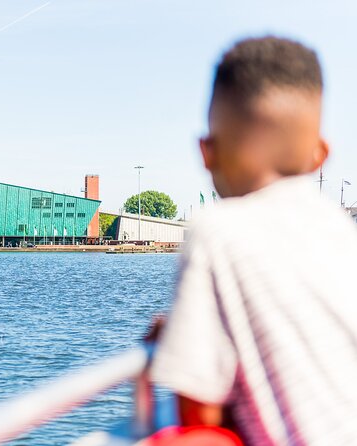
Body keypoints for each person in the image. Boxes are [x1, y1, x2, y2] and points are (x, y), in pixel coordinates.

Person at [150, 36, 357, 445]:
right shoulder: (339, 230)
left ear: (207, 152)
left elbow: (201, 412)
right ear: (320, 154)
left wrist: (182, 337)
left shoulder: (217, 229)